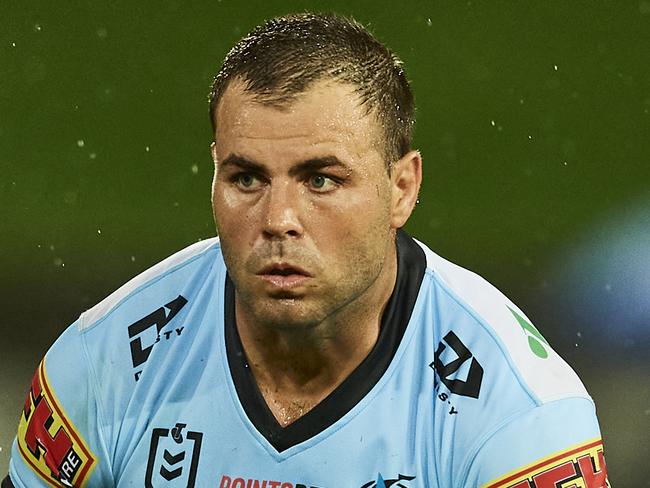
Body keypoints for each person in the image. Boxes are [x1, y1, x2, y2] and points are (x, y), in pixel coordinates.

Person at [4, 12, 610, 488]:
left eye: (321, 179)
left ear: (402, 189)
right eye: (247, 179)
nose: (278, 221)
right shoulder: (105, 363)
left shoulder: (521, 419)